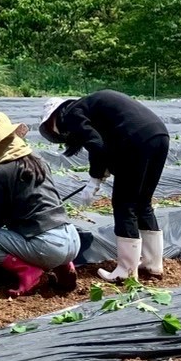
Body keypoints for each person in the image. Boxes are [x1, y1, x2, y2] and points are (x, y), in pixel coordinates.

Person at [40, 91, 170, 282]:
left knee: (124, 204)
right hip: (158, 135)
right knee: (142, 203)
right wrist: (101, 173)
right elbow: (103, 143)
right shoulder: (87, 108)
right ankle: (152, 263)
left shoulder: (71, 114)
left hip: (135, 140)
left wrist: (94, 180)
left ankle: (126, 271)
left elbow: (96, 145)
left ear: (54, 117)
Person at [0, 111, 81, 297]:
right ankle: (63, 268)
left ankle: (27, 271)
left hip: (48, 247)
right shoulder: (38, 161)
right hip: (71, 238)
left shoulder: (1, 173)